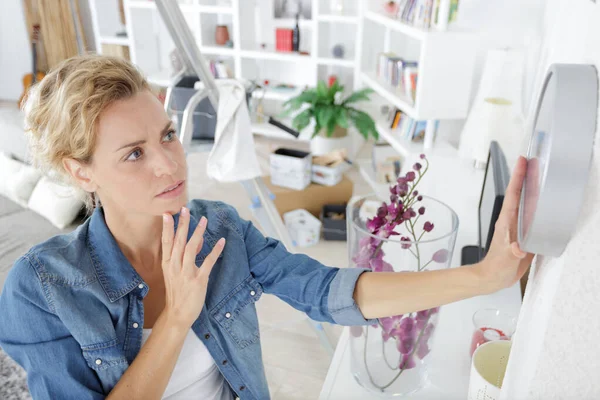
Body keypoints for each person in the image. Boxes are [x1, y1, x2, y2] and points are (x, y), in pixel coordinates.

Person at [0, 54, 534, 400]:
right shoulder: (42, 289)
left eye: (167, 135)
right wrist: (179, 316)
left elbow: (328, 290)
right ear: (80, 170)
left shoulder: (219, 228)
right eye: (134, 154)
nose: (170, 164)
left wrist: (484, 277)